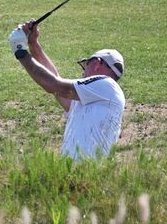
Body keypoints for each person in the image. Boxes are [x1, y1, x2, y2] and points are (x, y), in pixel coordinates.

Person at [10, 20, 126, 159]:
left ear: (97, 64)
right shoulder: (93, 97)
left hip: (85, 174)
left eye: (86, 64)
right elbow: (55, 81)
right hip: (74, 174)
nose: (83, 72)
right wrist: (33, 43)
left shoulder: (106, 85)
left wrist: (20, 51)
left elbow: (54, 85)